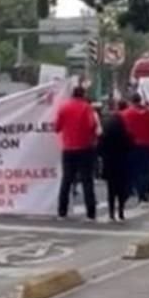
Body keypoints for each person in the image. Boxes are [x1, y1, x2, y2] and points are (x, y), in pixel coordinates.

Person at [54, 86, 99, 220]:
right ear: (83, 94)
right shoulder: (87, 107)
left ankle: (62, 211)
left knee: (66, 180)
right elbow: (92, 125)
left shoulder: (64, 107)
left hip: (68, 148)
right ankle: (91, 213)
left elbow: (56, 127)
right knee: (87, 180)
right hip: (85, 148)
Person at [121, 93, 149, 203]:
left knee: (131, 170)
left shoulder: (125, 114)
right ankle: (142, 194)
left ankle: (127, 193)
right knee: (144, 171)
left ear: (131, 101)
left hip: (131, 146)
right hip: (147, 146)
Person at [98, 105, 132, 221]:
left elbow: (100, 148)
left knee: (111, 189)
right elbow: (129, 146)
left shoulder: (105, 134)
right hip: (122, 162)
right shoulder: (125, 133)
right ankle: (121, 211)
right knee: (121, 189)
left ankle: (111, 212)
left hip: (109, 162)